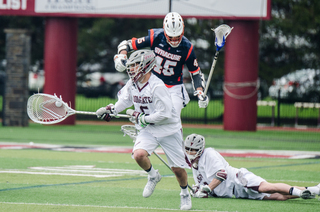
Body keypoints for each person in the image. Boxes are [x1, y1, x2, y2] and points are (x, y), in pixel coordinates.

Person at [96, 50, 192, 210]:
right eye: (131, 66)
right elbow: (125, 101)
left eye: (135, 65)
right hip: (148, 129)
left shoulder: (157, 86)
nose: (131, 69)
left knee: (177, 169)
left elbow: (165, 114)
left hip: (169, 129)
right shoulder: (132, 83)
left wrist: (142, 118)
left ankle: (184, 194)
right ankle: (153, 176)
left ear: (146, 66)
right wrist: (111, 110)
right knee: (138, 155)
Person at [113, 12, 209, 118]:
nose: (174, 40)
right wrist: (121, 56)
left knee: (173, 118)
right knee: (147, 113)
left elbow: (195, 72)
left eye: (177, 37)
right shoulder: (157, 36)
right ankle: (113, 110)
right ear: (165, 31)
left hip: (173, 87)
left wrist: (200, 92)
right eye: (171, 37)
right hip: (153, 83)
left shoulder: (187, 47)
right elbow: (127, 44)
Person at [184, 133, 320, 200]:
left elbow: (222, 175)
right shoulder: (193, 164)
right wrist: (199, 189)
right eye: (188, 149)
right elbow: (207, 185)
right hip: (234, 192)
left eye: (193, 150)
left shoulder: (209, 154)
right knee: (277, 197)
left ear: (200, 149)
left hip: (238, 178)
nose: (190, 152)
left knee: (266, 187)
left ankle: (299, 192)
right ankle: (313, 190)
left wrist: (206, 189)